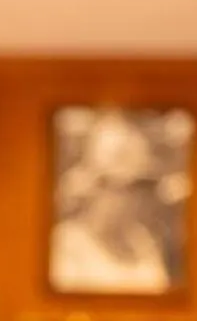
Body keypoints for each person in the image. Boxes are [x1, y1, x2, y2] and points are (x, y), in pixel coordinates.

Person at [52, 113, 180, 294]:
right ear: (99, 188)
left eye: (143, 188)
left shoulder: (142, 241)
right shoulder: (65, 245)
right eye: (128, 188)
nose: (137, 199)